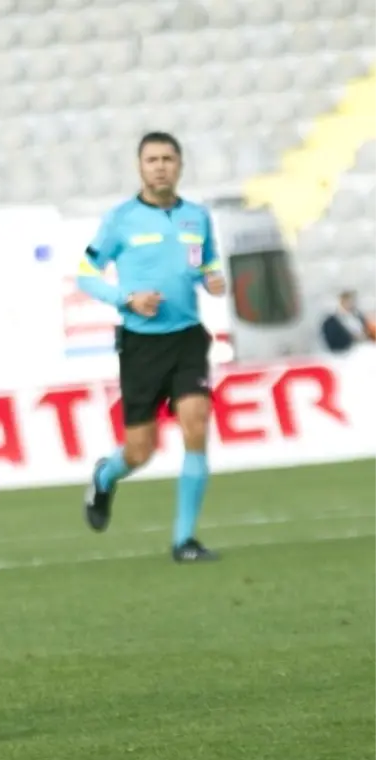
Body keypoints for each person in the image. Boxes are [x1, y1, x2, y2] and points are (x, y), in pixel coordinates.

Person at [77, 132, 227, 563]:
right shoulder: (121, 219)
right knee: (141, 450)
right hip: (141, 344)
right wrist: (127, 298)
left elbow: (205, 263)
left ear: (179, 165)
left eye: (167, 158)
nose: (160, 166)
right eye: (152, 159)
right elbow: (87, 274)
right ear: (140, 167)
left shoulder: (196, 217)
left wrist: (211, 279)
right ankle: (106, 476)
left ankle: (184, 541)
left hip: (186, 338)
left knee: (196, 424)